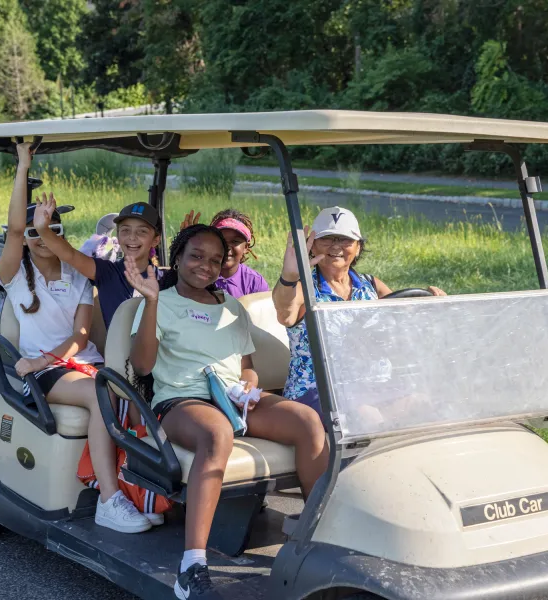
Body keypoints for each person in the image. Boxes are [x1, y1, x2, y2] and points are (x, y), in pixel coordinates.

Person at [126, 224, 327, 599]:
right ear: (179, 258)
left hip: (232, 399)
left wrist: (249, 384)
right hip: (182, 401)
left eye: (215, 260)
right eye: (196, 256)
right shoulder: (158, 302)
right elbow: (142, 365)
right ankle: (191, 566)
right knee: (216, 432)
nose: (205, 266)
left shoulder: (232, 308)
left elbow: (246, 365)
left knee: (308, 421)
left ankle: (317, 540)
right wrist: (151, 302)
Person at [0, 142, 151, 534]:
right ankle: (109, 500)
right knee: (102, 393)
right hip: (44, 370)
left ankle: (138, 493)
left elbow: (82, 336)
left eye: (50, 231)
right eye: (33, 233)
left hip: (84, 362)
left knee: (130, 396)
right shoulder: (13, 274)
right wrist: (23, 166)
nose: (39, 238)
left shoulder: (77, 277)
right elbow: (16, 227)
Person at [272, 206, 446, 415]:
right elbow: (284, 312)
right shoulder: (303, 288)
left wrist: (434, 308)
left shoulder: (370, 285)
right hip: (317, 390)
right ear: (312, 246)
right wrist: (289, 277)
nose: (336, 246)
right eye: (327, 239)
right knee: (365, 416)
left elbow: (403, 321)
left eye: (345, 239)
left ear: (358, 247)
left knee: (422, 403)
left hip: (372, 387)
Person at [35, 196, 164, 330]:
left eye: (142, 231)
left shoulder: (166, 279)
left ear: (156, 240)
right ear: (118, 236)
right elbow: (70, 254)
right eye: (125, 230)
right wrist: (43, 230)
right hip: (117, 350)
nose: (132, 237)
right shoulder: (106, 272)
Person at [180, 209, 269, 298]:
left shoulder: (255, 282)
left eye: (235, 241)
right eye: (221, 240)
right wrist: (188, 245)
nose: (227, 247)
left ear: (246, 247)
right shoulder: (197, 272)